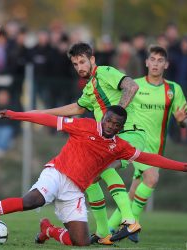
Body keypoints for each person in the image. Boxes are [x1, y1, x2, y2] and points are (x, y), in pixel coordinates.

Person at [0, 106, 187, 246]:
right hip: (57, 173)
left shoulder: (120, 146)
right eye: (109, 120)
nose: (111, 125)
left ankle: (48, 230)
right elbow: (49, 120)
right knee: (32, 201)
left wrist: (183, 166)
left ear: (121, 127)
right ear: (103, 118)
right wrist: (15, 114)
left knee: (81, 242)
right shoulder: (84, 125)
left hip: (75, 191)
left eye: (117, 124)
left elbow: (151, 158)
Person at [31, 42, 143, 244]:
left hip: (128, 134)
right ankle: (103, 233)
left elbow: (131, 86)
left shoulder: (106, 72)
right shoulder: (90, 86)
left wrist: (115, 115)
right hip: (112, 138)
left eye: (83, 61)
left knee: (104, 169)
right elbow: (77, 108)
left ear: (92, 60)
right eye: (75, 64)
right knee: (88, 178)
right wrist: (44, 113)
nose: (79, 67)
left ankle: (129, 220)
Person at [108, 45, 187, 241]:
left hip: (157, 148)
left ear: (166, 64)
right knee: (152, 178)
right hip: (136, 142)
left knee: (134, 191)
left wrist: (180, 120)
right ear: (146, 62)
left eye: (160, 60)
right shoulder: (133, 86)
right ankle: (133, 223)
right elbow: (118, 111)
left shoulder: (173, 89)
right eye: (152, 59)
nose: (155, 63)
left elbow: (184, 121)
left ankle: (108, 228)